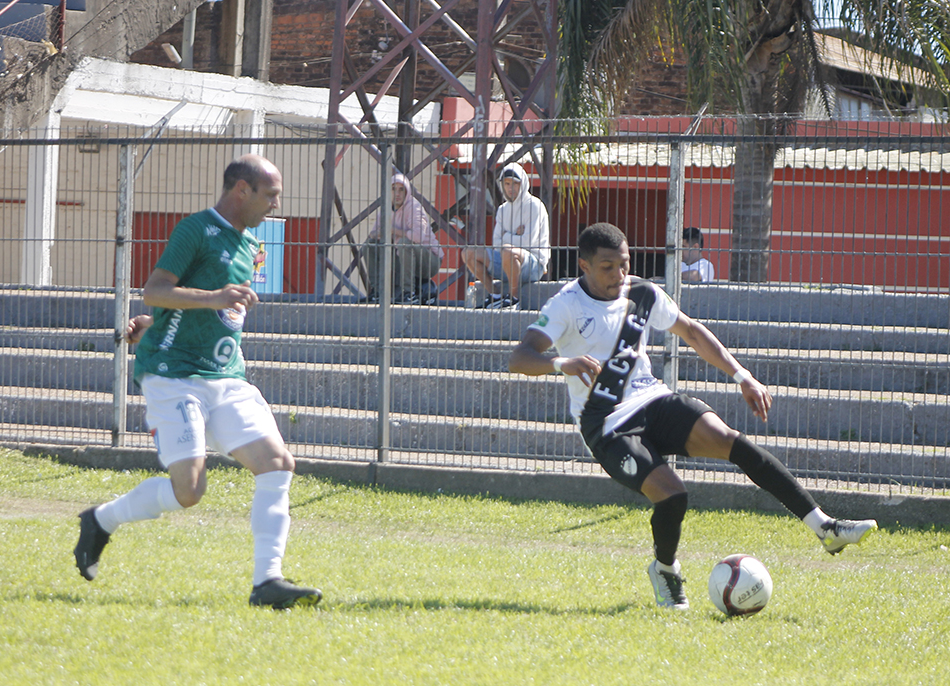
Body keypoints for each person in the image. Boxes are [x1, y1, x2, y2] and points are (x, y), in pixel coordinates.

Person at [508, 222, 877, 610]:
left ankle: (826, 527)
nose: (619, 274)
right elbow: (520, 357)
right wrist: (561, 363)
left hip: (653, 399)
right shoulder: (567, 304)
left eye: (624, 263)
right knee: (673, 495)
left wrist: (743, 376)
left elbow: (692, 332)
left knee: (733, 442)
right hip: (607, 424)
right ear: (583, 265)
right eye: (607, 267)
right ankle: (665, 571)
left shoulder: (643, 293)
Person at [73, 154, 322, 610]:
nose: (275, 204)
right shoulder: (196, 230)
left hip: (225, 376)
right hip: (174, 377)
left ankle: (267, 581)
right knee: (188, 491)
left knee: (277, 463)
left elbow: (182, 310)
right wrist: (208, 299)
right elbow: (155, 288)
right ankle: (101, 520)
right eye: (270, 195)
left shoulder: (251, 246)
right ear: (241, 190)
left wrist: (156, 321)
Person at [461, 162, 550, 309]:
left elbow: (528, 241)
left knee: (508, 251)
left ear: (523, 184)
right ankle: (495, 295)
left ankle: (514, 299)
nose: (510, 188)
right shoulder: (503, 209)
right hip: (506, 259)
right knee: (468, 253)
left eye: (514, 184)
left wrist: (506, 237)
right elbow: (496, 243)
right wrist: (514, 235)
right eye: (507, 183)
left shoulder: (534, 205)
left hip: (533, 265)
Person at [361, 173, 444, 305]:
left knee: (405, 243)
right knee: (369, 245)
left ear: (407, 192)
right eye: (394, 189)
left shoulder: (414, 208)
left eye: (401, 189)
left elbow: (418, 236)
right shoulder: (385, 208)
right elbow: (373, 234)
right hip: (402, 258)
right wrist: (379, 233)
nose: (397, 193)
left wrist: (393, 231)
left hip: (428, 260)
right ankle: (377, 292)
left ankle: (409, 293)